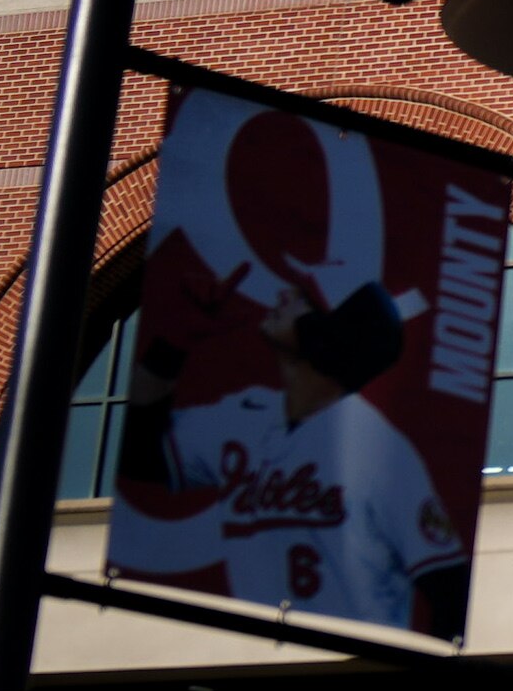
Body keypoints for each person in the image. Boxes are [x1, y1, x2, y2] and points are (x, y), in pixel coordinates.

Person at [116, 256, 469, 639]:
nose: (284, 296)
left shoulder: (379, 450)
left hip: (344, 663)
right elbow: (139, 457)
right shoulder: (248, 411)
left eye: (305, 298)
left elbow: (449, 587)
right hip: (249, 654)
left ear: (328, 332)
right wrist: (173, 344)